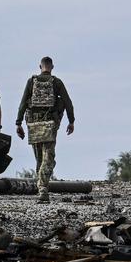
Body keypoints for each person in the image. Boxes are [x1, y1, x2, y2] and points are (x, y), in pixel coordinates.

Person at [15, 56, 75, 203]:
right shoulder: (57, 82)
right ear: (52, 67)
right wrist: (71, 121)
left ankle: (42, 187)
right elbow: (68, 102)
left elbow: (23, 103)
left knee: (40, 159)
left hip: (34, 124)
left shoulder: (31, 81)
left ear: (39, 66)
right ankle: (43, 189)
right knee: (48, 158)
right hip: (50, 124)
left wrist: (18, 123)